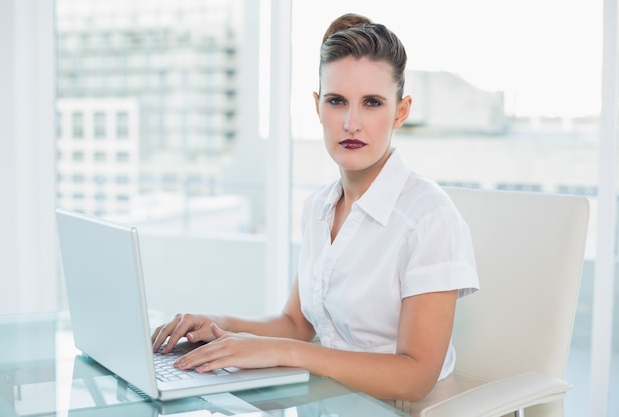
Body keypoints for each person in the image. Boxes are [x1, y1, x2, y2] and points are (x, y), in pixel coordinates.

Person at [152, 12, 479, 404]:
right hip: (330, 401)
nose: (352, 122)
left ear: (401, 111)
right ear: (317, 106)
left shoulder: (429, 218)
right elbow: (295, 324)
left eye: (372, 103)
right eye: (337, 101)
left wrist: (286, 353)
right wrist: (219, 324)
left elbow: (415, 377)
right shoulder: (318, 207)